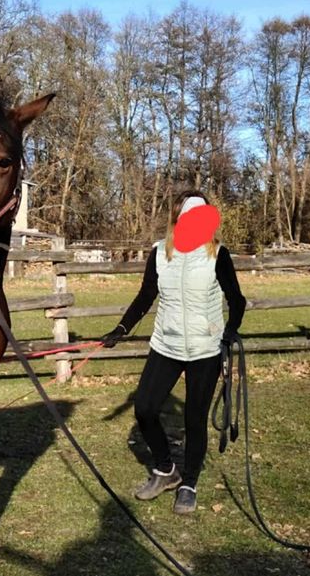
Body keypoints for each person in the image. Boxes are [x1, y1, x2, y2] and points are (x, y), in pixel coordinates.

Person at [102, 190, 246, 514]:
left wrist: (229, 332)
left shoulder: (218, 255)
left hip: (204, 349)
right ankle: (166, 470)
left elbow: (237, 300)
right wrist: (121, 329)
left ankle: (189, 483)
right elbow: (145, 297)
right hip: (166, 344)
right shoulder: (159, 253)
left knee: (195, 419)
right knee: (145, 408)